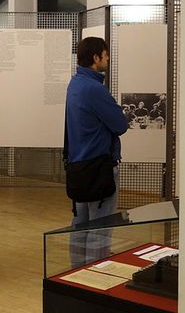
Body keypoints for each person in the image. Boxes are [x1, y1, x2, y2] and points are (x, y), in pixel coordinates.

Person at [65, 37, 129, 267]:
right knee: (100, 227)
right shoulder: (94, 89)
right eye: (105, 54)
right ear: (95, 58)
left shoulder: (76, 84)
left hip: (80, 166)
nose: (108, 58)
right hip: (99, 168)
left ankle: (77, 273)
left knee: (81, 224)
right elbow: (120, 125)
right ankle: (95, 276)